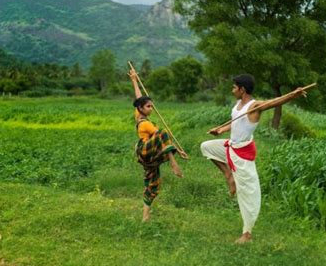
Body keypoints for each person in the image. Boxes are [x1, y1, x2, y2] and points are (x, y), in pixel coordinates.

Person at [201, 74, 306, 243]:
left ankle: (247, 234)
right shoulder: (238, 104)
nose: (232, 89)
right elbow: (236, 122)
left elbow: (273, 102)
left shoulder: (254, 105)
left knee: (247, 194)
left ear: (242, 89)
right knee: (206, 147)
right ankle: (229, 176)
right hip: (231, 146)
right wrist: (221, 130)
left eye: (235, 87)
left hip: (243, 153)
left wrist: (293, 95)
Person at [128, 67, 187, 222]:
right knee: (162, 132)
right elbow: (162, 138)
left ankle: (145, 216)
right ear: (141, 108)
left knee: (153, 185)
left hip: (148, 157)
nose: (151, 108)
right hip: (146, 150)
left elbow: (138, 97)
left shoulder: (138, 115)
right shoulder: (146, 124)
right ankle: (173, 164)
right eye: (148, 106)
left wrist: (134, 80)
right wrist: (175, 155)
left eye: (151, 106)